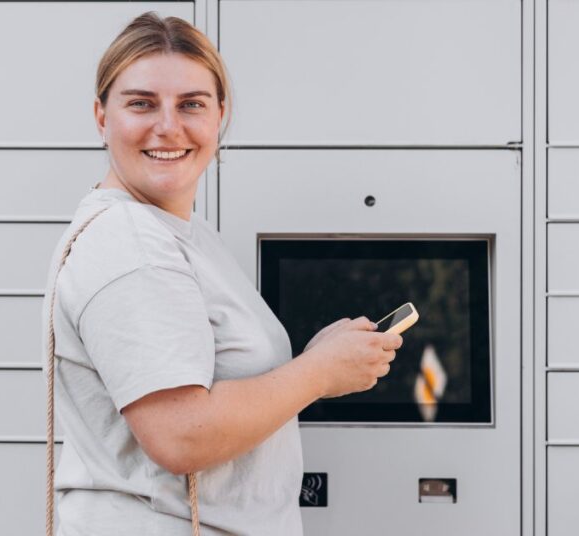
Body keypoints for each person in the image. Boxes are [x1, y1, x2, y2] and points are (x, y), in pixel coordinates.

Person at [41, 12, 403, 536]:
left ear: (220, 116)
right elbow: (181, 436)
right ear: (101, 116)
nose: (168, 126)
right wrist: (320, 372)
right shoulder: (129, 242)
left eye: (191, 104)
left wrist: (319, 359)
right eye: (141, 103)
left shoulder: (184, 233)